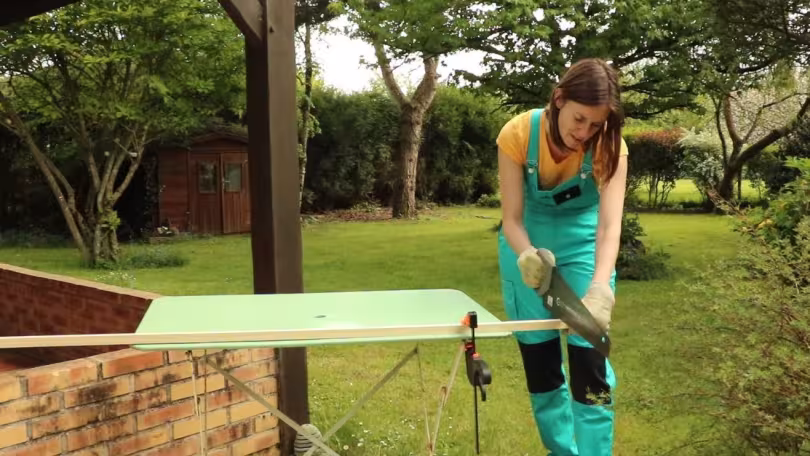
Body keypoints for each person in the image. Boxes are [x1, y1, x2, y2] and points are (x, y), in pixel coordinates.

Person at [495, 58, 628, 455]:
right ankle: (562, 452)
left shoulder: (611, 146)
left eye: (595, 124)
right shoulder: (517, 133)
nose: (584, 133)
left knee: (591, 369)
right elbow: (512, 220)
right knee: (542, 366)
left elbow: (609, 228)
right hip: (527, 245)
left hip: (585, 245)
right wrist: (529, 258)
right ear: (558, 100)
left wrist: (601, 284)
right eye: (578, 119)